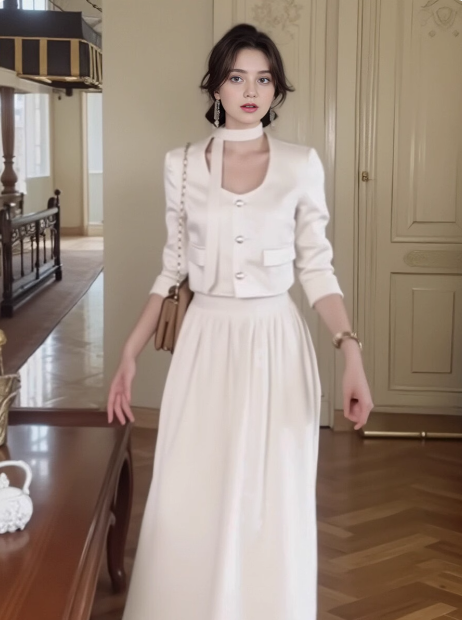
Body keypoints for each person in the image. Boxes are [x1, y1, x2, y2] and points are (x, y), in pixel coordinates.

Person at [107, 22, 373, 620]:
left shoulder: (302, 166)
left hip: (277, 346)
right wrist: (128, 353)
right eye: (237, 77)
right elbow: (171, 270)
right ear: (216, 86)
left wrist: (350, 351)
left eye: (264, 79)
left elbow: (318, 269)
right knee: (190, 489)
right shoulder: (180, 165)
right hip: (205, 344)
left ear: (276, 89)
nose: (251, 90)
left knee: (271, 495)